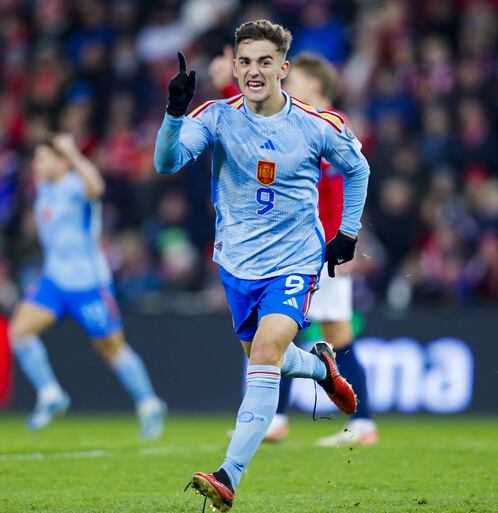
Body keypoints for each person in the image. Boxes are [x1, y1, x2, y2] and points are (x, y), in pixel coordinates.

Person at [155, 20, 370, 512]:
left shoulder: (317, 126)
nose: (254, 71)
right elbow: (166, 162)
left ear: (283, 69)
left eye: (265, 62)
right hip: (237, 263)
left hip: (295, 259)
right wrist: (173, 112)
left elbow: (358, 169)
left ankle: (228, 474)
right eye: (246, 62)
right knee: (265, 356)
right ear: (234, 67)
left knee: (267, 351)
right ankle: (318, 368)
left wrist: (348, 233)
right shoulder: (215, 117)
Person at [209, 50, 379, 446]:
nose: (285, 85)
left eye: (296, 79)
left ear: (316, 86)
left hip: (319, 247)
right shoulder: (295, 123)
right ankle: (277, 418)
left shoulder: (327, 127)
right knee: (281, 332)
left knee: (333, 334)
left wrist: (346, 239)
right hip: (295, 245)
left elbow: (342, 186)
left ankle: (362, 423)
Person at [8, 133, 166, 438]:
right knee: (18, 332)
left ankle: (149, 404)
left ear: (61, 161)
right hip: (54, 280)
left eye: (42, 158)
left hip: (88, 284)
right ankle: (50, 394)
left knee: (112, 350)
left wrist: (75, 154)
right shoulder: (44, 187)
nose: (36, 164)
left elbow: (98, 187)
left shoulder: (76, 184)